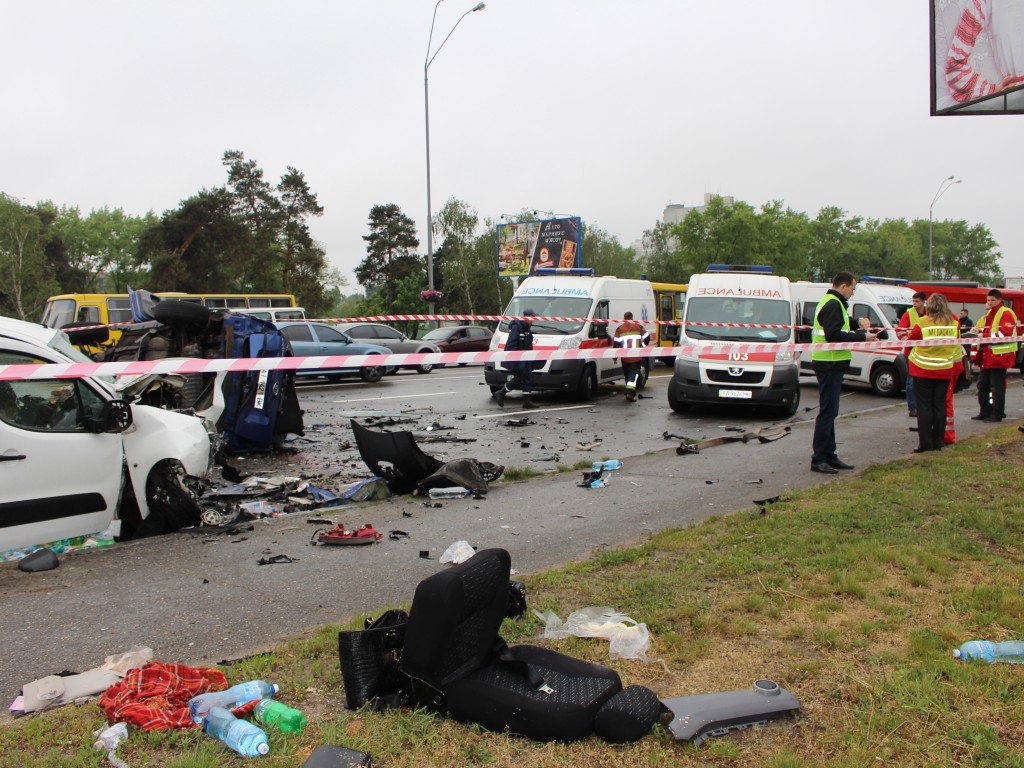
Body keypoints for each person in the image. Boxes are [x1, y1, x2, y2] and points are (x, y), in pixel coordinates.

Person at [810, 272, 878, 474]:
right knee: (828, 413)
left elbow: (840, 324)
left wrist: (857, 323)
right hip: (829, 363)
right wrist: (862, 336)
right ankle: (819, 458)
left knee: (830, 412)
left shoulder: (833, 302)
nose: (852, 293)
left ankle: (829, 455)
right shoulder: (833, 304)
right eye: (852, 289)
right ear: (843, 286)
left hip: (831, 363)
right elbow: (833, 335)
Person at [906, 294, 963, 452]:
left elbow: (911, 340)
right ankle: (938, 442)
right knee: (940, 406)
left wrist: (907, 357)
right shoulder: (954, 323)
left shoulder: (923, 322)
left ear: (929, 306)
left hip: (922, 370)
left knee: (924, 408)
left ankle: (925, 444)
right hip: (944, 370)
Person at [971, 289, 1018, 423]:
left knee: (996, 388)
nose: (989, 303)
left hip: (999, 357)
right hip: (988, 356)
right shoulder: (989, 314)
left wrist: (982, 335)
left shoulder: (1006, 313)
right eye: (988, 300)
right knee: (983, 386)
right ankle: (985, 411)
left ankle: (997, 413)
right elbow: (987, 330)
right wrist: (977, 331)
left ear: (999, 300)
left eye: (992, 300)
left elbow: (1004, 334)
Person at [493, 309, 538, 409]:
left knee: (528, 377)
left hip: (526, 360)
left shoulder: (527, 330)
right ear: (526, 317)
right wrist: (517, 361)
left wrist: (530, 361)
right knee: (519, 379)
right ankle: (501, 392)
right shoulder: (517, 328)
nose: (533, 320)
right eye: (532, 318)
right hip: (517, 360)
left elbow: (529, 347)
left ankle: (526, 401)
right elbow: (511, 345)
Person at [897, 291, 927, 418]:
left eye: (917, 301)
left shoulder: (929, 313)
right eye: (913, 301)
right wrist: (908, 342)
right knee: (911, 381)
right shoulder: (908, 314)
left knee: (924, 381)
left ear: (923, 301)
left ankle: (922, 406)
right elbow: (899, 332)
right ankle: (913, 407)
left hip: (926, 352)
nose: (914, 304)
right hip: (911, 352)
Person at [613, 311, 651, 402]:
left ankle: (629, 392)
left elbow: (616, 344)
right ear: (632, 318)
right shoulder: (638, 326)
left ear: (624, 318)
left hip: (625, 357)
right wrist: (643, 346)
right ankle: (630, 393)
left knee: (627, 374)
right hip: (636, 356)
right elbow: (647, 336)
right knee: (633, 375)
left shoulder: (619, 329)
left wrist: (614, 357)